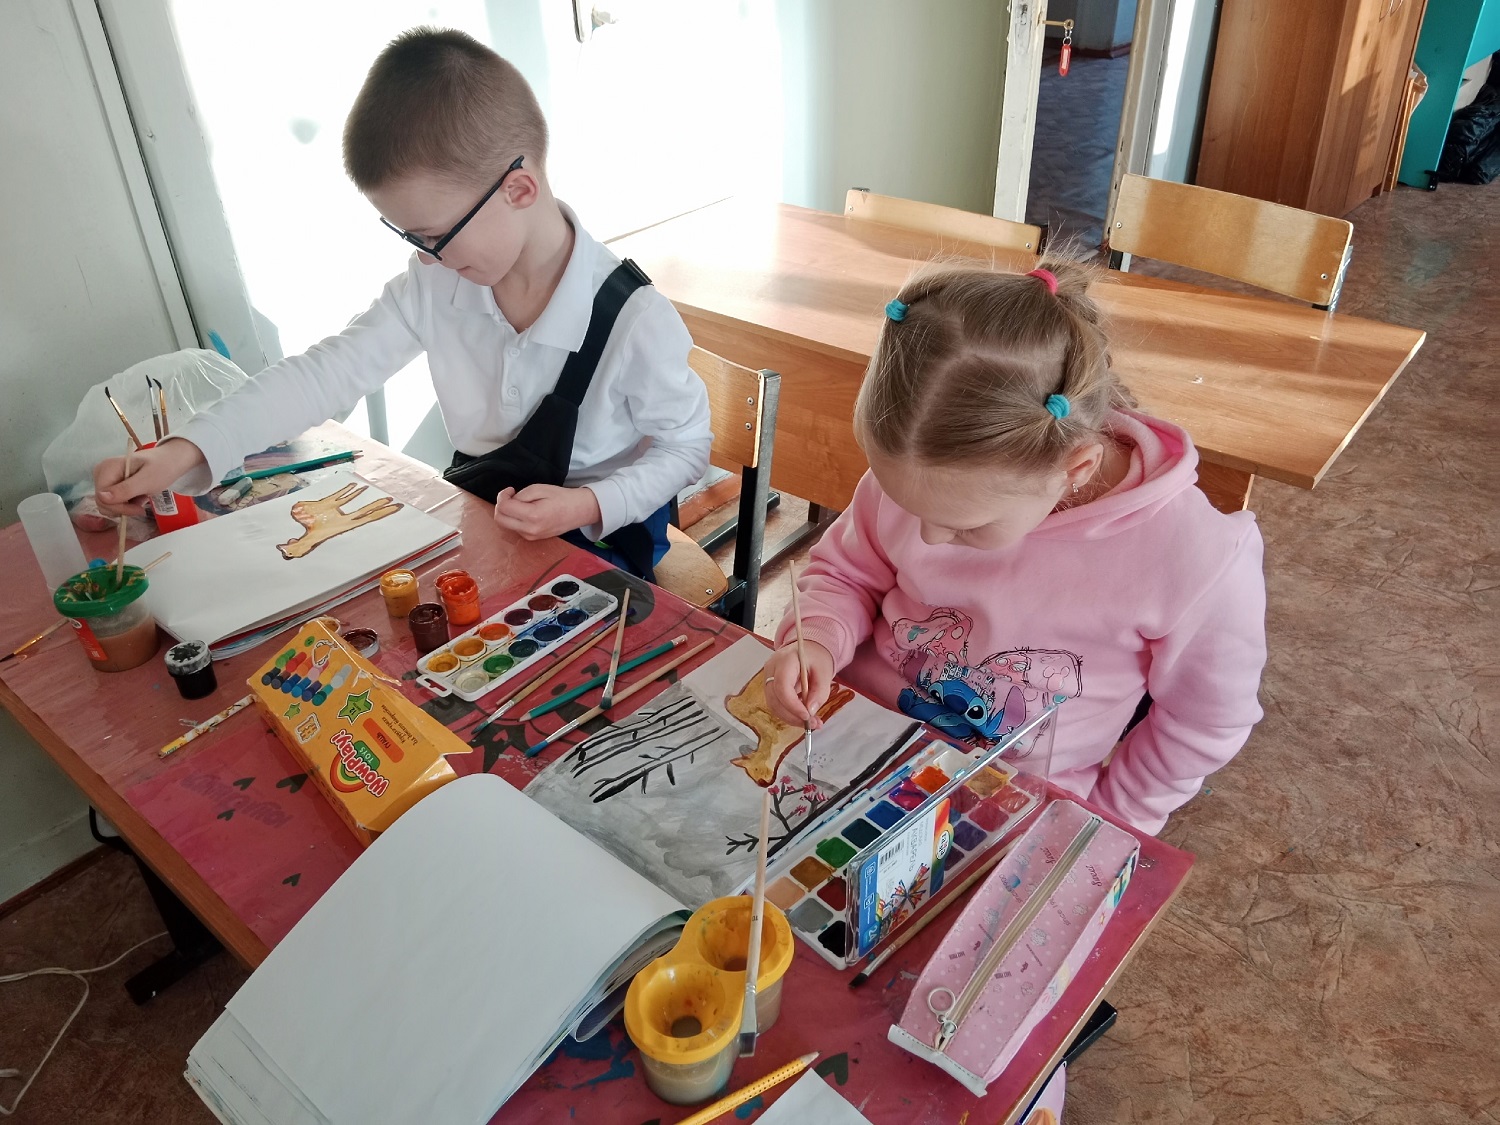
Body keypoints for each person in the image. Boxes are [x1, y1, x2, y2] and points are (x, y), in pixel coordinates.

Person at [93, 28, 710, 580]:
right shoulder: (436, 284)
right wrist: (187, 450)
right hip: (485, 515)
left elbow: (686, 449)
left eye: (436, 235)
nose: (427, 257)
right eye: (410, 237)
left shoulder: (634, 320)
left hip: (604, 539)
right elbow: (325, 373)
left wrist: (588, 503)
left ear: (519, 189)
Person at [759, 262, 1266, 834]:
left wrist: (1116, 815)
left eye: (966, 527)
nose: (927, 538)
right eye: (907, 506)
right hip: (855, 737)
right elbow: (846, 575)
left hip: (1013, 801)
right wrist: (815, 639)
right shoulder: (927, 468)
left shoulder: (1198, 560)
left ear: (1076, 469)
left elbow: (1205, 721)